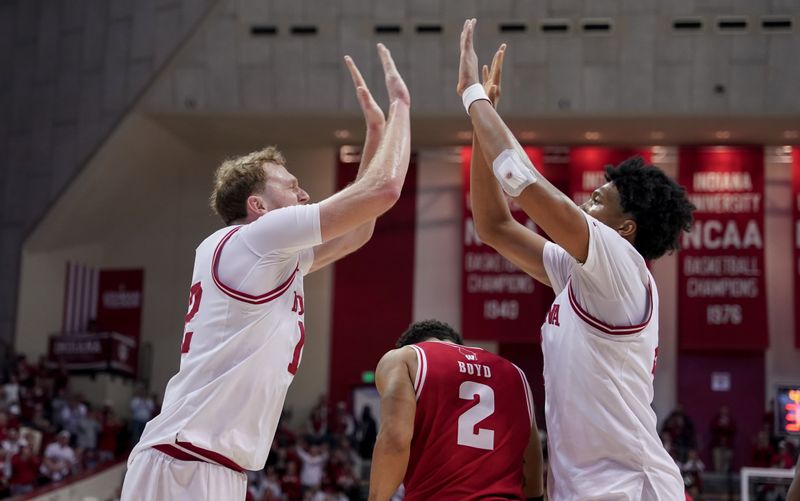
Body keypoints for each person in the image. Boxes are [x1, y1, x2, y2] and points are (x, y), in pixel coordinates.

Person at [121, 43, 411, 501]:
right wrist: (401, 107)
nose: (304, 192)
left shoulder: (267, 255)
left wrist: (375, 134)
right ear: (258, 205)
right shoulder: (259, 238)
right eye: (291, 185)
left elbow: (357, 233)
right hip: (188, 462)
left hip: (207, 464)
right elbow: (385, 190)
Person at [456, 19, 694, 500]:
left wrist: (472, 96)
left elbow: (521, 181)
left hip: (630, 488)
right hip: (585, 487)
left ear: (626, 228)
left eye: (599, 200)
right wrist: (481, 135)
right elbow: (495, 227)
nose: (585, 205)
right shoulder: (582, 273)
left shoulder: (620, 263)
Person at [368, 320, 543, 501]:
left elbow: (395, 439)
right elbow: (532, 462)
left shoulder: (403, 358)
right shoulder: (516, 373)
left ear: (412, 344)